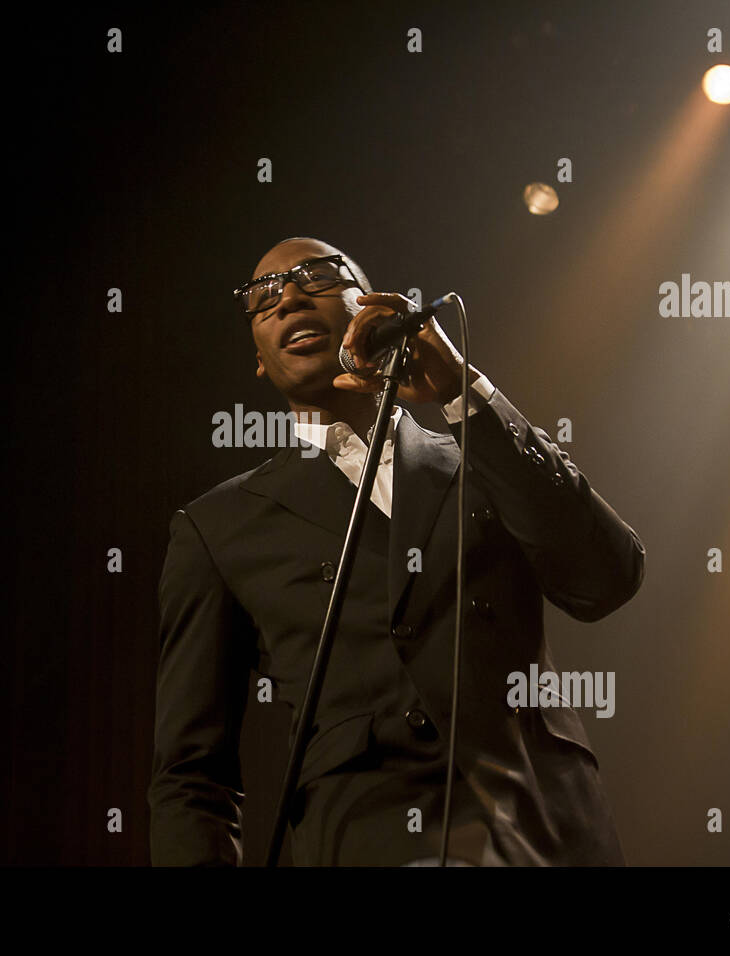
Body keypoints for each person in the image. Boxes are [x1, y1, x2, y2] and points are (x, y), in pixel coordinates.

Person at [148, 236, 645, 866]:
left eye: (317, 275)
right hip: (366, 842)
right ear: (257, 359)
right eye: (263, 297)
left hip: (540, 837)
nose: (290, 296)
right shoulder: (217, 526)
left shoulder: (482, 457)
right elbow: (191, 776)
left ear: (372, 307)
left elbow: (606, 579)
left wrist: (461, 389)